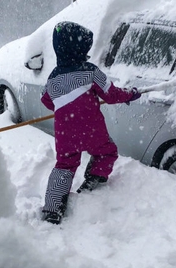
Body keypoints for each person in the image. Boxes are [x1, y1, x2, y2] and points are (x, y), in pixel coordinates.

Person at [40, 21, 141, 224]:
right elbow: (112, 95)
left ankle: (52, 209)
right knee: (106, 152)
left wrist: (64, 109)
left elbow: (46, 99)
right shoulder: (90, 72)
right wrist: (130, 94)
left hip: (65, 133)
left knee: (64, 166)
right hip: (92, 129)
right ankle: (94, 179)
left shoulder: (53, 79)